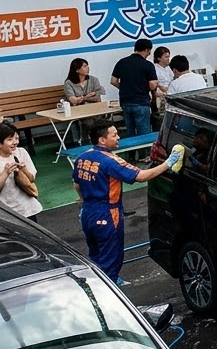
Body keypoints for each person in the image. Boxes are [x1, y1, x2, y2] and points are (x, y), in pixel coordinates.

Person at [73, 122, 183, 284]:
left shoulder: (82, 158)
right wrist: (168, 163)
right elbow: (141, 176)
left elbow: (77, 184)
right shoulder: (111, 161)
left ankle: (98, 285)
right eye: (114, 135)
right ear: (102, 140)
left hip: (88, 213)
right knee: (111, 257)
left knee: (95, 255)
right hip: (108, 214)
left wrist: (83, 202)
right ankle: (110, 290)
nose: (118, 137)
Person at [110, 38, 157, 136]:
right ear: (147, 50)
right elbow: (153, 85)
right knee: (144, 133)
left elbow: (113, 81)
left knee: (130, 131)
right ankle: (145, 151)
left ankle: (131, 151)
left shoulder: (122, 62)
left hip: (125, 102)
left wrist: (124, 87)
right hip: (141, 101)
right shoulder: (148, 65)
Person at [0, 121, 41, 220]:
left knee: (34, 234)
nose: (15, 142)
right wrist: (5, 173)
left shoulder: (21, 152)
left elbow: (31, 179)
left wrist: (24, 169)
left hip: (27, 207)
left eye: (16, 138)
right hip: (7, 212)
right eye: (9, 139)